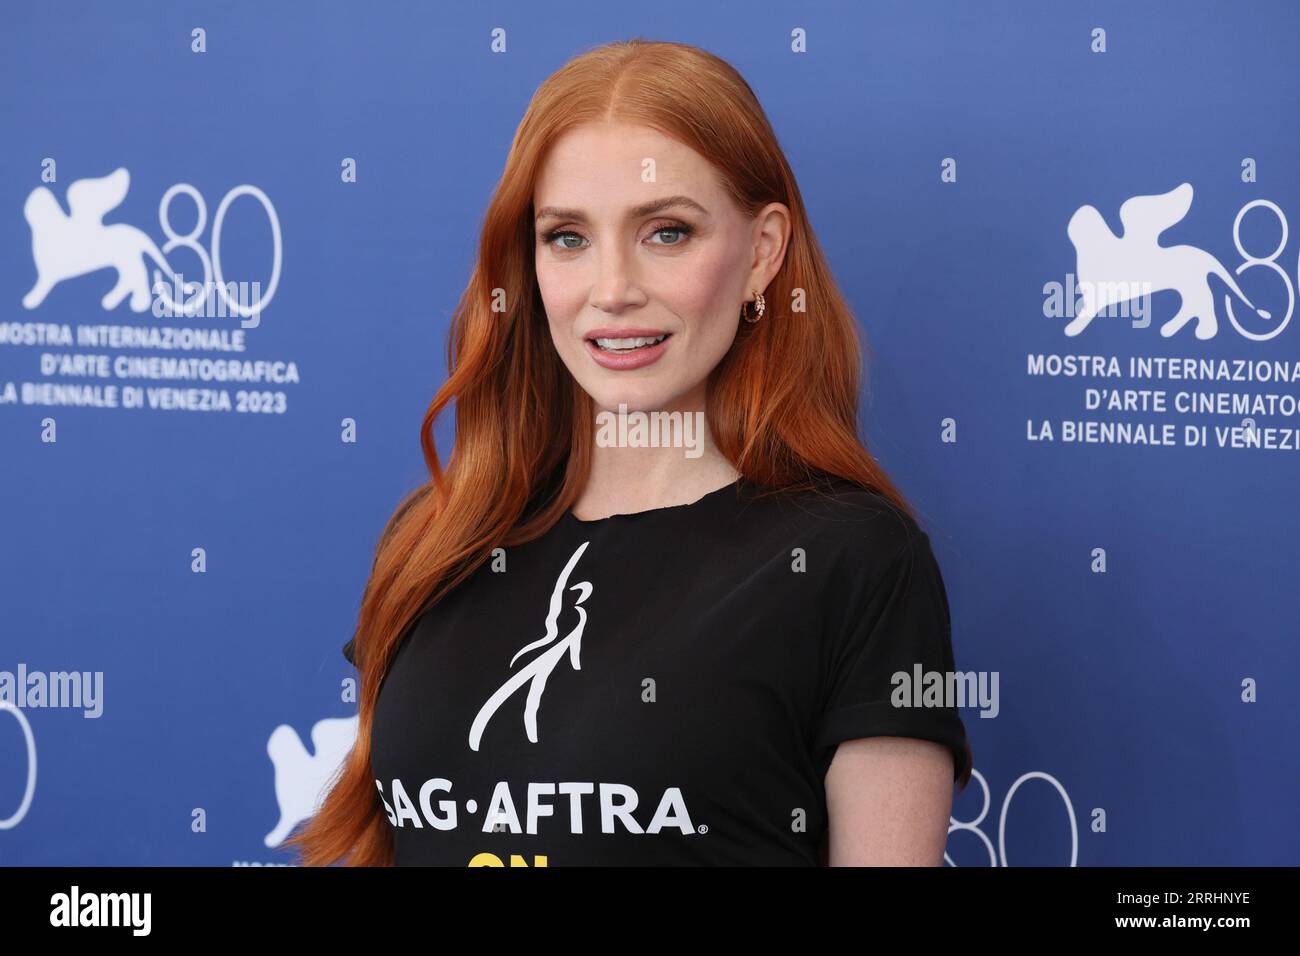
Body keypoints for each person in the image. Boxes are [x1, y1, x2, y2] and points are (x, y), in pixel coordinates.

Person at [286, 37, 972, 867]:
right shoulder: (438, 537)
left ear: (763, 253)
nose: (612, 289)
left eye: (667, 232)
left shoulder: (855, 563)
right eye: (568, 238)